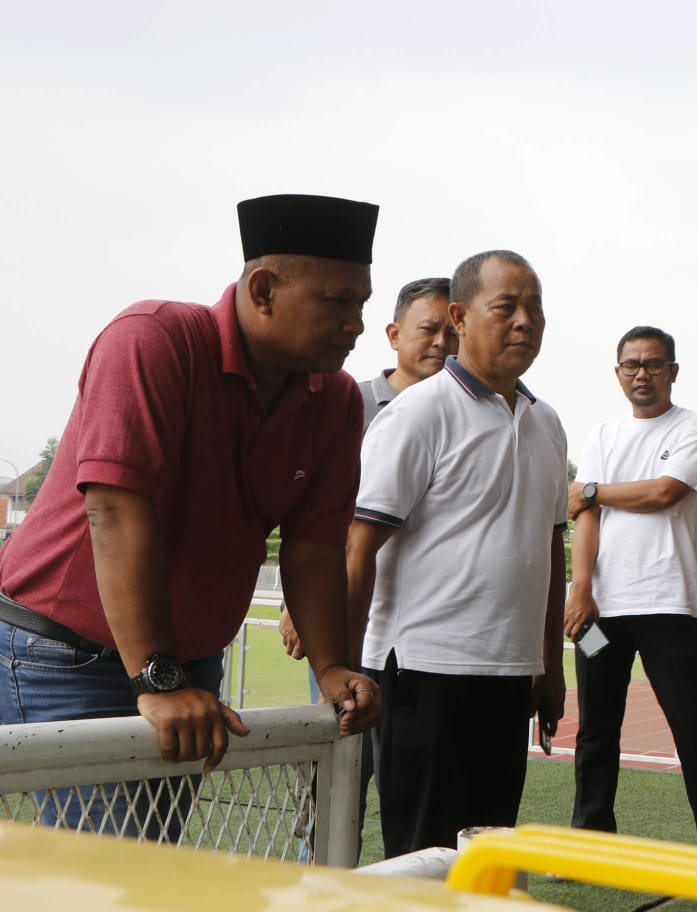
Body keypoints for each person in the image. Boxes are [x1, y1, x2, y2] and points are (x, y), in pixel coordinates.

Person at [0, 194, 382, 837]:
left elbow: (315, 547)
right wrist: (159, 678)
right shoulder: (153, 339)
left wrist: (331, 667)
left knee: (143, 859)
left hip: (187, 664)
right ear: (263, 290)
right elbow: (115, 510)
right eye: (337, 302)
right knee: (113, 872)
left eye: (361, 304)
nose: (357, 325)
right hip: (68, 652)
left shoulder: (336, 400)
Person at [346, 250, 568, 858]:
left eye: (535, 308)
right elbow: (359, 546)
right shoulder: (418, 413)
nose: (525, 321)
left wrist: (550, 666)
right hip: (424, 673)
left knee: (486, 856)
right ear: (460, 318)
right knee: (423, 858)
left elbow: (550, 550)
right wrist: (345, 665)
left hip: (509, 677)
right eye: (506, 307)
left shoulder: (546, 422)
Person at [277, 275, 456, 861]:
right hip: (341, 622)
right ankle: (322, 889)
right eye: (429, 329)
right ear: (394, 334)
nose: (442, 343)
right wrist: (299, 604)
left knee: (412, 793)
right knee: (336, 781)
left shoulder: (467, 411)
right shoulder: (344, 402)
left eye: (452, 331)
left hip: (422, 640)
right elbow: (303, 512)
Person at [564, 325, 697, 849]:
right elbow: (584, 515)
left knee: (692, 724)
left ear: (672, 371)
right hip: (601, 610)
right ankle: (590, 839)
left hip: (667, 605)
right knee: (595, 727)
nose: (642, 374)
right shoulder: (602, 436)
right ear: (618, 373)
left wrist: (592, 489)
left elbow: (664, 492)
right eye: (631, 365)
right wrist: (580, 588)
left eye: (653, 364)